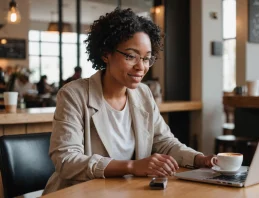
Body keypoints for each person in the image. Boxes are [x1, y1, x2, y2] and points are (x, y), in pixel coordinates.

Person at [43, 8, 214, 195]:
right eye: (131, 56)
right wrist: (132, 166)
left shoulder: (143, 93)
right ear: (106, 53)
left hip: (127, 191)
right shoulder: (74, 94)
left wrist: (200, 159)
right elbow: (67, 161)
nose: (141, 67)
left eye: (147, 58)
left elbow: (165, 142)